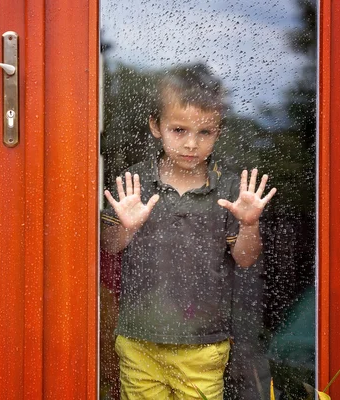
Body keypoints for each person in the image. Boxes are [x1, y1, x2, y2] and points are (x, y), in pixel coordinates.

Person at [101, 66, 276, 400]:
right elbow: (109, 246)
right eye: (179, 130)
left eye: (204, 132)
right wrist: (127, 226)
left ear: (218, 132)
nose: (191, 144)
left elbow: (245, 258)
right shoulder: (135, 182)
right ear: (156, 126)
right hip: (141, 338)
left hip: (203, 343)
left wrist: (249, 223)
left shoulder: (227, 188)